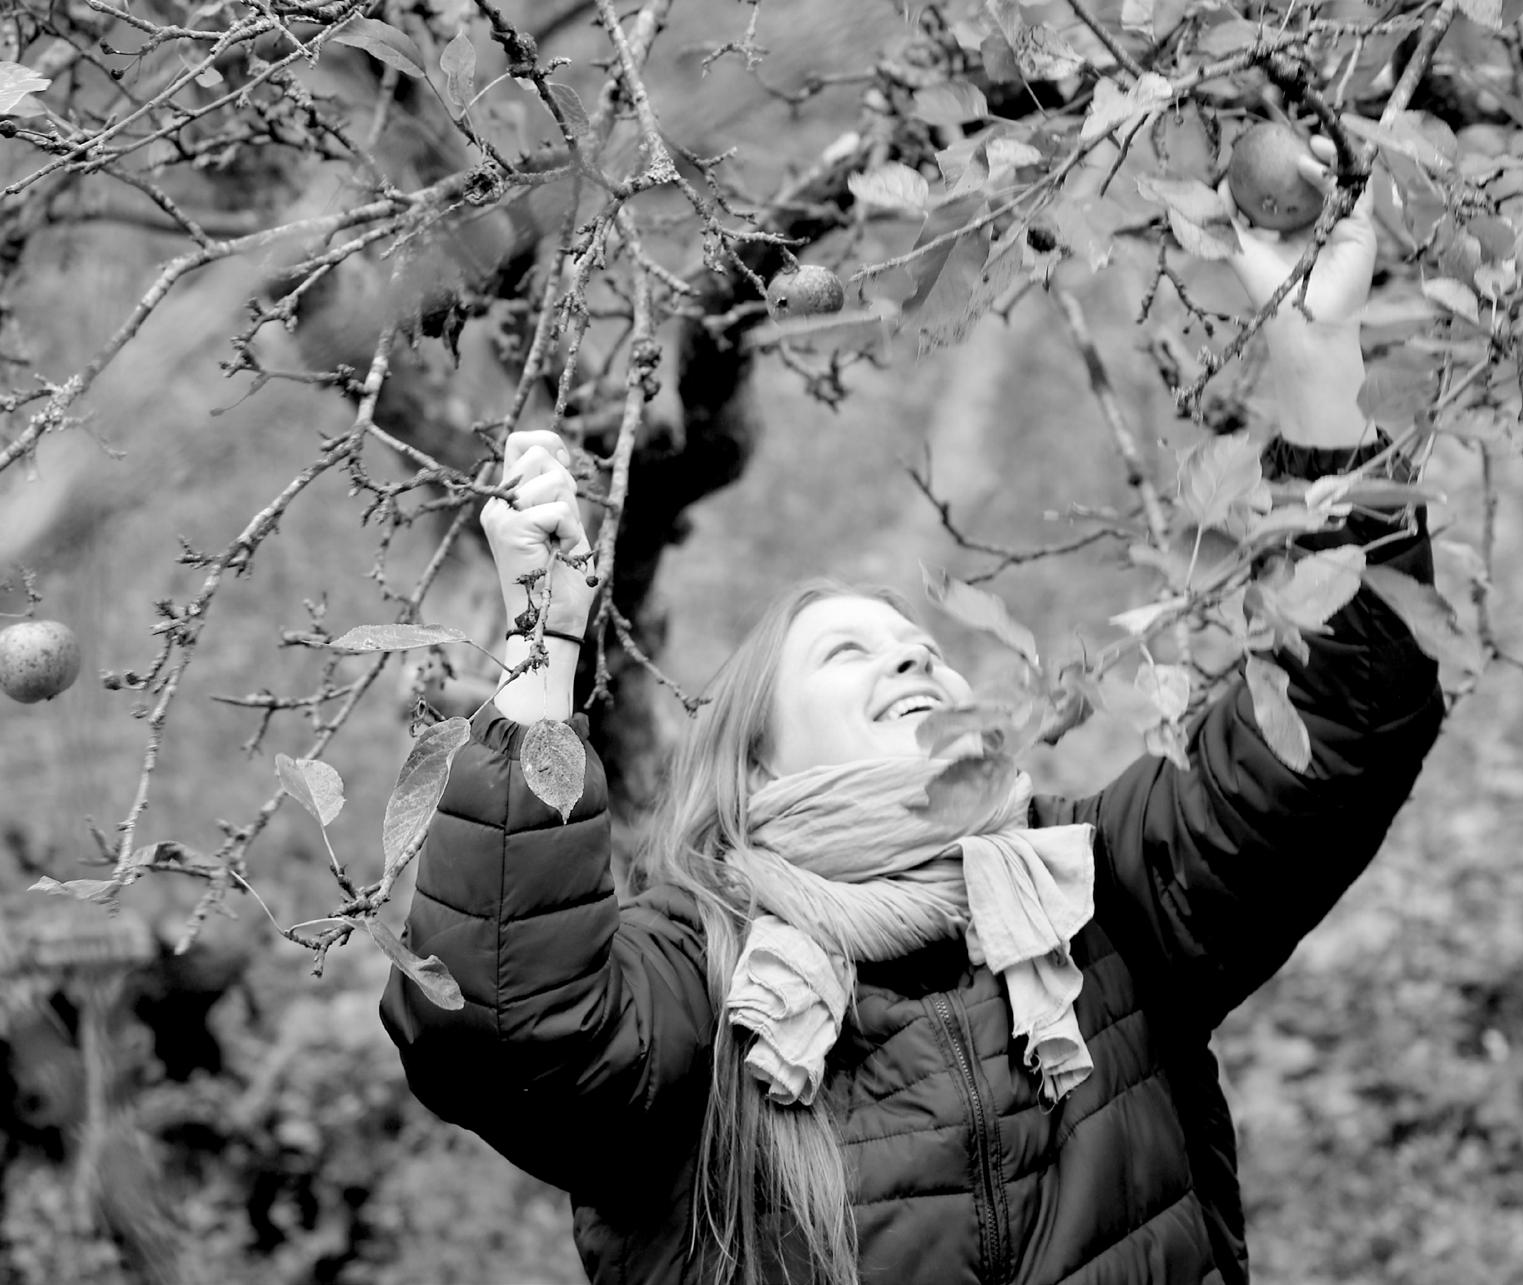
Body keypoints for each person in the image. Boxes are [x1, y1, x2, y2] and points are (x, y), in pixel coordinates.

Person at [379, 145, 1445, 1285]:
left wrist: (1317, 371)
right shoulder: (698, 981)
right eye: (849, 652)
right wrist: (540, 641)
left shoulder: (1091, 894)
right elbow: (504, 1029)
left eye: (923, 651)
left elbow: (1340, 724)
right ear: (755, 767)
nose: (909, 657)